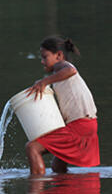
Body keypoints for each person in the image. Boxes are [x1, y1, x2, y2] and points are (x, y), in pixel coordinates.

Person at [25, 35, 100, 175]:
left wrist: (44, 82)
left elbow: (71, 71)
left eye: (45, 57)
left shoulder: (62, 66)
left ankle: (37, 189)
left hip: (80, 124)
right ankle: (66, 192)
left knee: (32, 147)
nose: (42, 61)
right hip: (88, 123)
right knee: (57, 166)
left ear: (59, 55)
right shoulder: (59, 77)